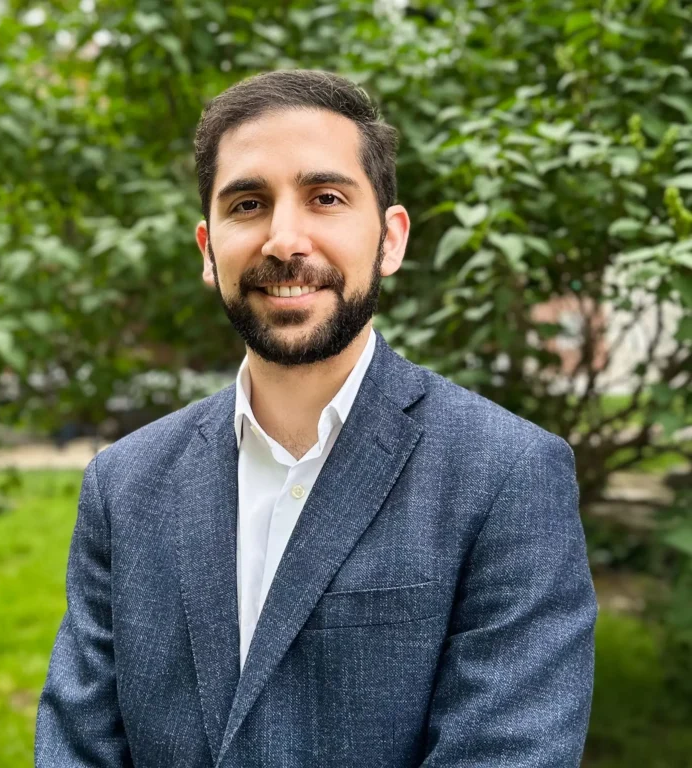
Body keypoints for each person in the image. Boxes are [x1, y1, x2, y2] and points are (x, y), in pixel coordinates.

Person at [35, 69, 598, 767]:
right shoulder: (123, 484)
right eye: (248, 204)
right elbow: (77, 749)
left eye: (325, 197)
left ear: (390, 240)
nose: (283, 239)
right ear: (209, 249)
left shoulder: (508, 475)